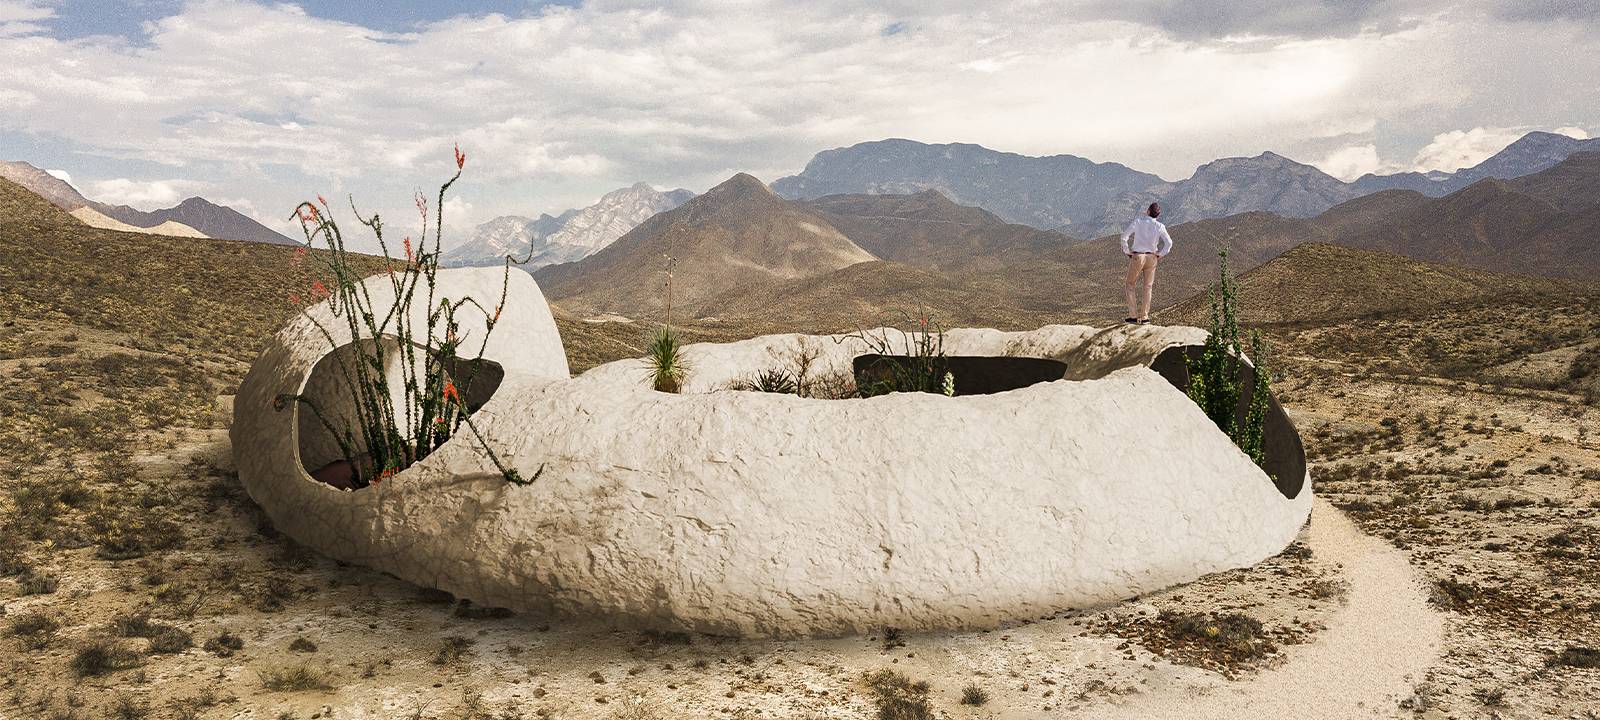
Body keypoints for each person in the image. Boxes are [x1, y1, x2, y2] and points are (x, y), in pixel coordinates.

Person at [1120, 201, 1172, 324]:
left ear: (1148, 211)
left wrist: (1127, 251)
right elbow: (1169, 242)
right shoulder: (1160, 226)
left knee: (1130, 285)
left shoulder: (1138, 222)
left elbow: (1124, 237)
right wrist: (1161, 254)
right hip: (1152, 257)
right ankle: (1144, 317)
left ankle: (1133, 316)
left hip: (1138, 256)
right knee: (1148, 287)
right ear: (1158, 215)